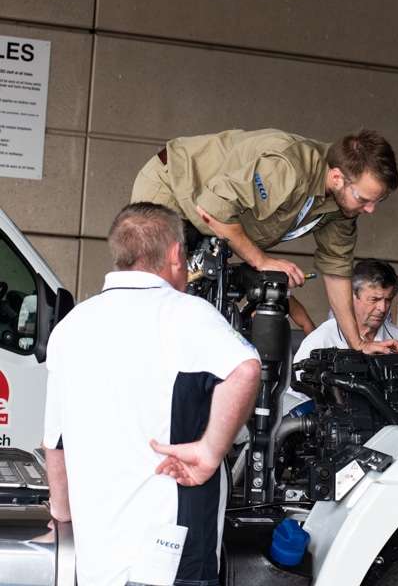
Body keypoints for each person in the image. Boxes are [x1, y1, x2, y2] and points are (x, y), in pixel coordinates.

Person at [43, 202, 261, 586]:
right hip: (167, 560)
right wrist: (209, 453)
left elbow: (55, 445)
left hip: (97, 566)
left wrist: (62, 514)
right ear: (177, 254)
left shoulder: (71, 326)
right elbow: (245, 369)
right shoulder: (184, 314)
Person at [130, 127, 398, 356]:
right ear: (337, 177)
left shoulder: (342, 207)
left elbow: (336, 270)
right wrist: (263, 261)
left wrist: (357, 343)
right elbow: (214, 208)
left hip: (210, 217)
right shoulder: (288, 170)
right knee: (153, 293)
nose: (370, 209)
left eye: (378, 200)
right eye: (364, 198)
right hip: (175, 185)